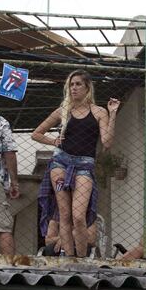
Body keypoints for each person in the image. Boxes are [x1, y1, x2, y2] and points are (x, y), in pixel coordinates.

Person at [32, 69, 120, 257]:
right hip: (60, 162)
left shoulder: (99, 112)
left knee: (78, 216)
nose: (74, 88)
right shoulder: (63, 111)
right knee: (64, 215)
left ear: (87, 87)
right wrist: (53, 141)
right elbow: (36, 133)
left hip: (85, 165)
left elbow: (107, 142)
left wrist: (112, 114)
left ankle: (81, 261)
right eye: (71, 84)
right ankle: (70, 260)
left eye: (78, 84)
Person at [0, 114, 20, 255]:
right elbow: (9, 153)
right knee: (3, 228)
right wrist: (14, 182)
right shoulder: (0, 122)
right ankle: (10, 271)